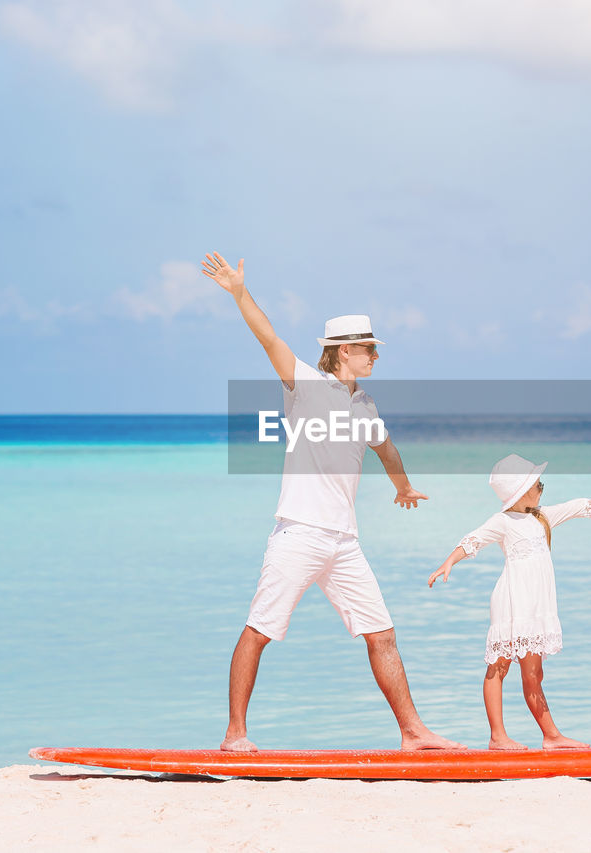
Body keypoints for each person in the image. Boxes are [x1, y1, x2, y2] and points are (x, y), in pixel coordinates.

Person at [201, 252, 462, 752]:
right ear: (343, 352)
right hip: (298, 531)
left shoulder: (365, 406)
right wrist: (238, 291)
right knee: (260, 630)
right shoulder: (304, 385)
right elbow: (268, 336)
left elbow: (387, 449)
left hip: (344, 542)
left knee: (381, 633)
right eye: (368, 349)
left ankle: (413, 733)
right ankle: (235, 734)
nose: (375, 356)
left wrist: (402, 486)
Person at [428, 453, 591, 750]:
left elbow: (577, 505)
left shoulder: (542, 516)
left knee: (534, 673)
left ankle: (551, 736)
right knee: (498, 668)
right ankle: (498, 737)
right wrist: (449, 562)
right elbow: (473, 540)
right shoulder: (503, 521)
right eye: (537, 484)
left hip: (538, 607)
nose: (541, 487)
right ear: (520, 491)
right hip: (512, 603)